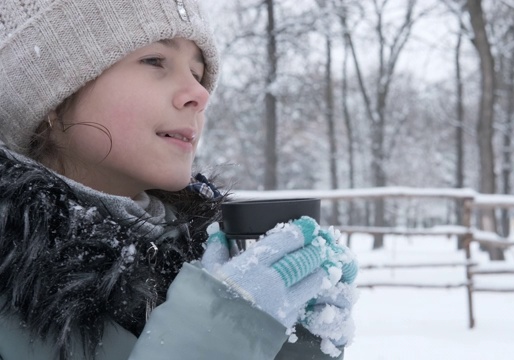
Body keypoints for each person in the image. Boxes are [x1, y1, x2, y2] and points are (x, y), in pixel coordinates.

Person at [0, 1, 358, 359]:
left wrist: (291, 342)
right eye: (155, 61)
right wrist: (216, 336)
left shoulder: (212, 259)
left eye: (198, 75)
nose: (201, 95)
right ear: (51, 93)